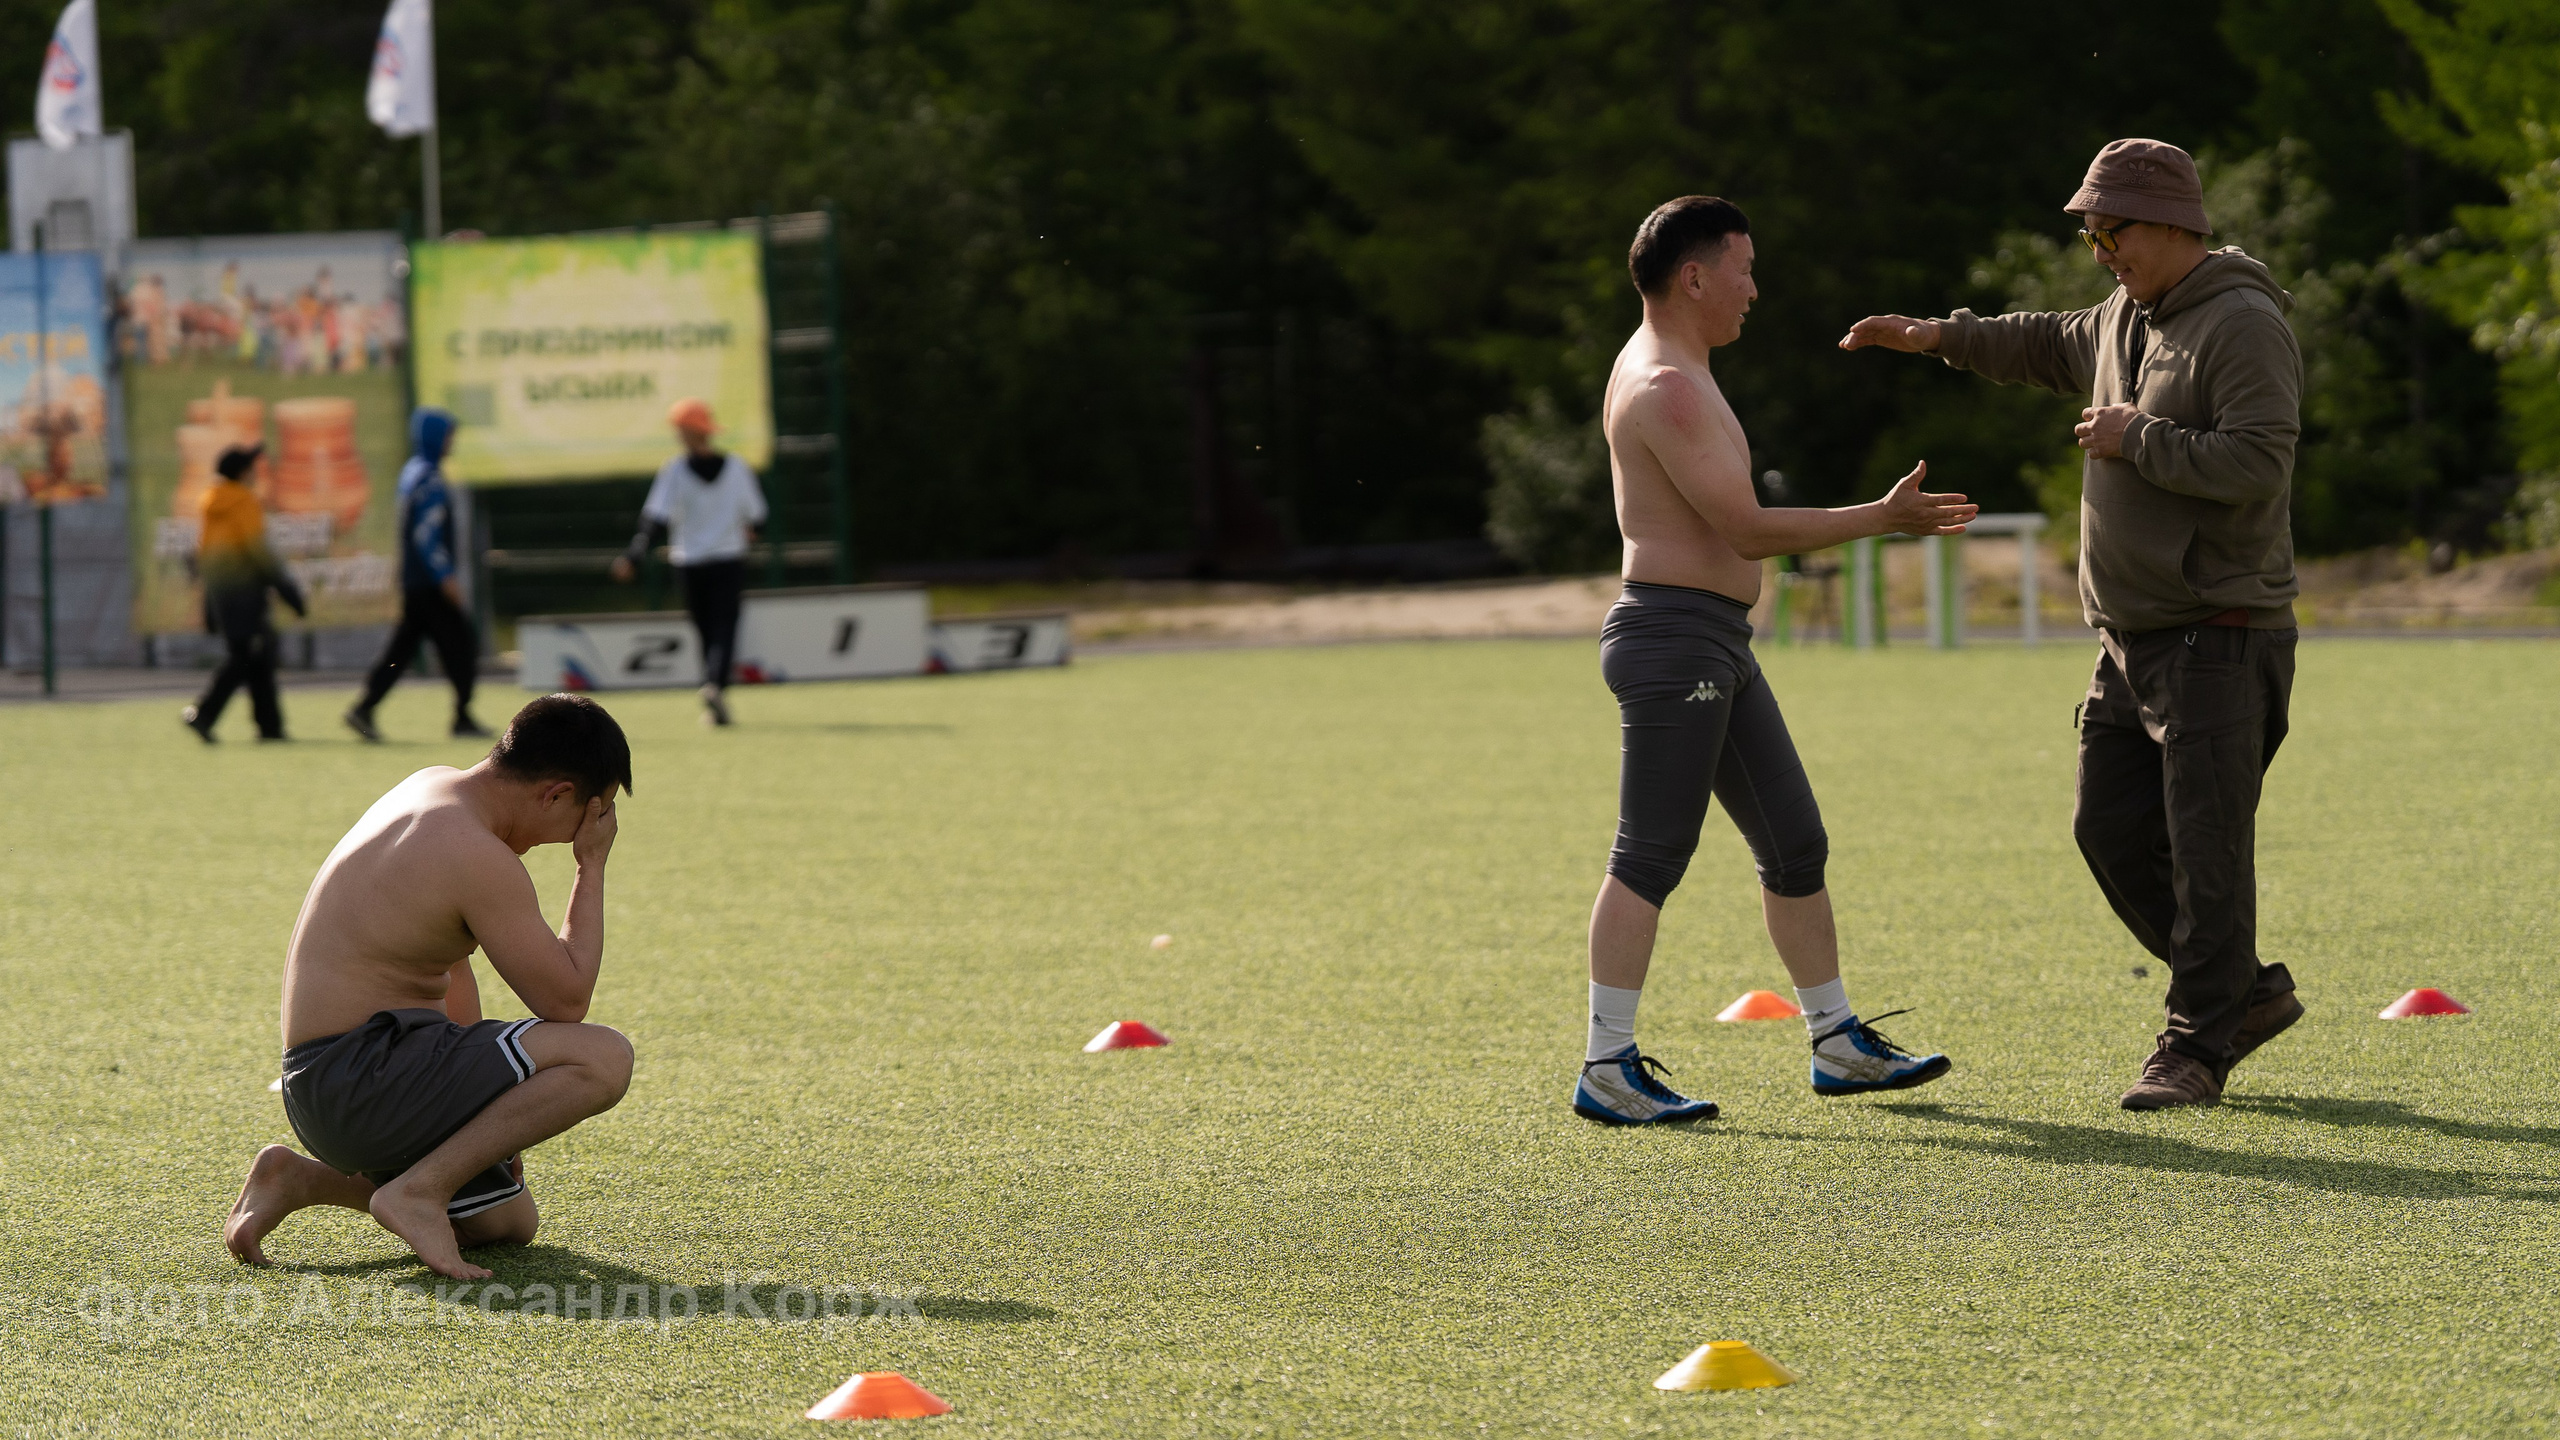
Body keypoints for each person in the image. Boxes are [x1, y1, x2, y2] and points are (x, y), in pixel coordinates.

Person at [1840, 138, 2304, 1111]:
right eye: (2090, 232)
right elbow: (2039, 340)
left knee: (2206, 849)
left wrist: (2139, 436)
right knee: (2108, 831)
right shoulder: (2119, 317)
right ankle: (2244, 996)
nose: (2098, 247)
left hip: (2218, 632)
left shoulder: (2242, 322)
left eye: (2113, 227)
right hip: (2128, 639)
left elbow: (2257, 462)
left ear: (2175, 221)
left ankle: (2195, 1046)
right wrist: (1932, 336)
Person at [1572, 196, 1973, 1126]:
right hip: (1676, 643)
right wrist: (1882, 517)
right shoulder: (1665, 383)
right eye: (1744, 270)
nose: (1756, 289)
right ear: (1694, 277)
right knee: (1651, 853)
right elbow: (1746, 531)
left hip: (1714, 640)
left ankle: (1836, 1042)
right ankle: (1605, 1065)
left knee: (1794, 844)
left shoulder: (1678, 371)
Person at [223, 694, 635, 1280]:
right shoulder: (475, 853)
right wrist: (590, 866)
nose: (582, 833)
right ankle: (418, 1192)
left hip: (323, 1084)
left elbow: (450, 968)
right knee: (603, 1057)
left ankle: (298, 1177)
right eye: (589, 817)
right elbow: (566, 1001)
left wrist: (483, 1103)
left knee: (505, 1224)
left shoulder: (430, 787)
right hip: (363, 1080)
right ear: (557, 793)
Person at [610, 398, 768, 727]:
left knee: (704, 628)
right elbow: (758, 515)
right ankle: (715, 686)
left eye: (682, 430)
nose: (679, 436)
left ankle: (712, 688)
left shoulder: (676, 471)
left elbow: (655, 520)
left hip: (690, 562)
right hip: (728, 559)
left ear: (694, 432)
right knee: (724, 626)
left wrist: (633, 557)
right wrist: (751, 530)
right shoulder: (737, 468)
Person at [346, 407, 487, 742]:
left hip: (414, 581)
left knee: (402, 650)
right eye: (449, 435)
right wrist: (446, 576)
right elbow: (426, 536)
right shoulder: (430, 478)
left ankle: (364, 708)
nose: (452, 442)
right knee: (462, 643)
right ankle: (462, 716)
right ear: (436, 437)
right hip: (429, 583)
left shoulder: (412, 472)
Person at [182, 444, 306, 742]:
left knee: (257, 657)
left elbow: (202, 557)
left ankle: (269, 727)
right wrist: (286, 588)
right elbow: (257, 549)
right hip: (246, 592)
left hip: (223, 594)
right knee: (245, 658)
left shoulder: (212, 503)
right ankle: (204, 713)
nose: (254, 473)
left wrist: (209, 602)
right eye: (251, 467)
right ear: (241, 472)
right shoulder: (243, 501)